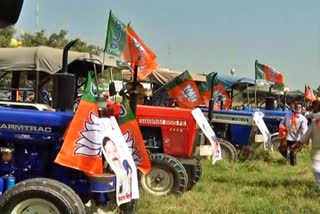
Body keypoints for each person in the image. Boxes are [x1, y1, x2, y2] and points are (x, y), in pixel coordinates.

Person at [292, 100, 320, 188]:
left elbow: (307, 134)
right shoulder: (314, 121)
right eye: (314, 106)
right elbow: (307, 134)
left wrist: (299, 143)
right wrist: (299, 143)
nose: (315, 108)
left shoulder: (315, 119)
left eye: (317, 106)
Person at [279, 101, 308, 166]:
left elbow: (304, 130)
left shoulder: (303, 119)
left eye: (299, 107)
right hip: (287, 137)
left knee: (293, 151)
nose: (297, 108)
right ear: (294, 108)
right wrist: (282, 127)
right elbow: (281, 123)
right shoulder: (288, 115)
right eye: (296, 107)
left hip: (296, 139)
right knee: (281, 149)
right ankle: (287, 157)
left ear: (301, 109)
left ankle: (293, 166)